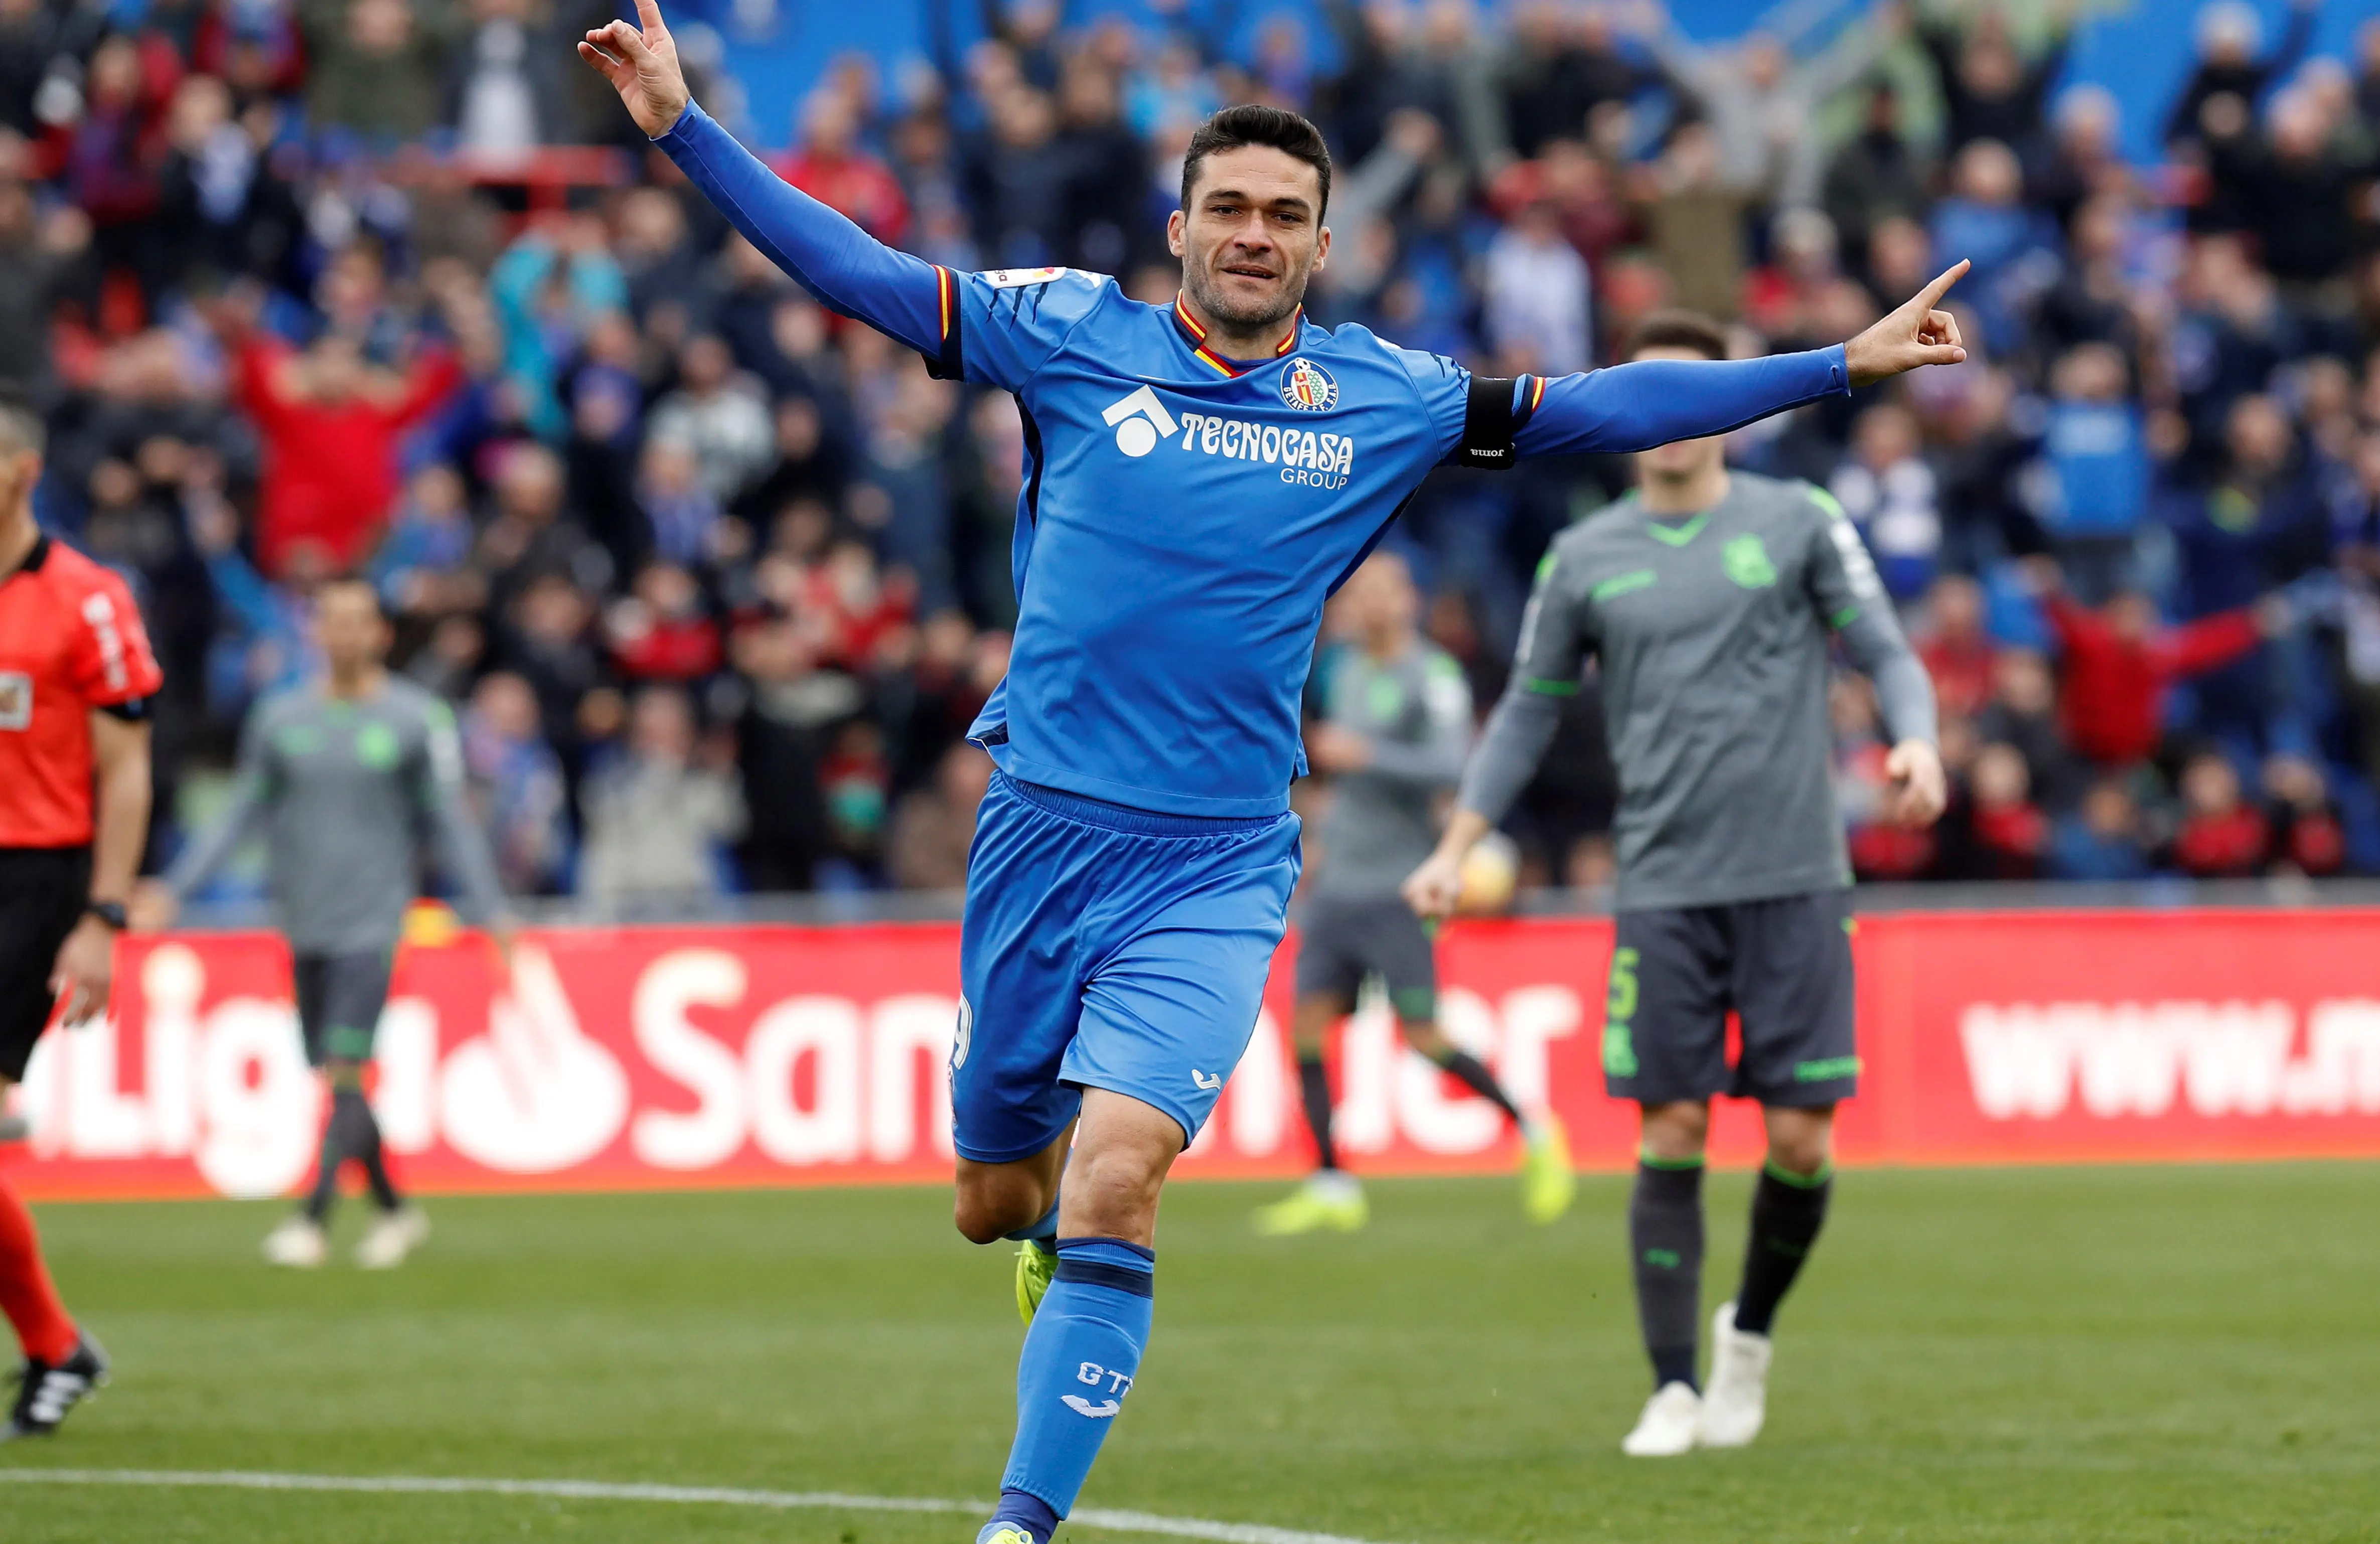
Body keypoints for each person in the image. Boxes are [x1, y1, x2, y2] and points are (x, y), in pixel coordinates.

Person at [577, 10, 1967, 1540]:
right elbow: (864, 274)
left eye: (1287, 217)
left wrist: (1841, 362)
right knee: (998, 1198)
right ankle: (1032, 1231)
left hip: (1219, 862)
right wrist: (681, 129)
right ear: (1181, 226)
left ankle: (1016, 1523)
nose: (1256, 235)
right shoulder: (1068, 332)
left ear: (1320, 247)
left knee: (1119, 1174)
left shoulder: (1384, 399)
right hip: (1038, 835)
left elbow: (1601, 407)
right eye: (1230, 208)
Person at [1403, 310, 1947, 1459]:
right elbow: (1526, 715)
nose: (1673, 423)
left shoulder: (1797, 522)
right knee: (1674, 1125)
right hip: (1664, 882)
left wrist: (1917, 741)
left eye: (1695, 395)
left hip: (1797, 873)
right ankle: (1671, 1386)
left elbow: (1887, 649)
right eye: (1652, 398)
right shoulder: (1584, 559)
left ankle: (1747, 1334)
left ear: (1731, 408)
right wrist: (1457, 846)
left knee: (1801, 1142)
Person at [139, 577, 515, 1270]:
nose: (344, 633)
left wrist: (490, 907)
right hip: (303, 920)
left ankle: (311, 1220)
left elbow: (451, 822)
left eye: (357, 621)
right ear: (315, 632)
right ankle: (397, 1211)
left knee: (346, 1066)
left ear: (380, 633)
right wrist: (174, 888)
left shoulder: (415, 719)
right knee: (336, 1074)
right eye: (331, 620)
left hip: (373, 923)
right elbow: (239, 815)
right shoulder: (281, 719)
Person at [1255, 551, 1572, 1237]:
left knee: (1424, 1037)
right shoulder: (1343, 669)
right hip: (1341, 882)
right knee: (1305, 1027)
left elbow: (1453, 763)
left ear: (1411, 601)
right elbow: (1331, 767)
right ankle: (1332, 1180)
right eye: (1362, 591)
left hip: (1400, 885)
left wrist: (1367, 755)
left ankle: (1534, 1129)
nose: (1371, 603)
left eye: (1385, 591)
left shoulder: (1432, 676)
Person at [0, 391, 157, 1438]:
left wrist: (103, 915)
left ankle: (58, 1343)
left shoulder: (87, 599)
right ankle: (59, 1347)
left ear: (21, 471)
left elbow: (128, 769)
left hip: (31, 880)